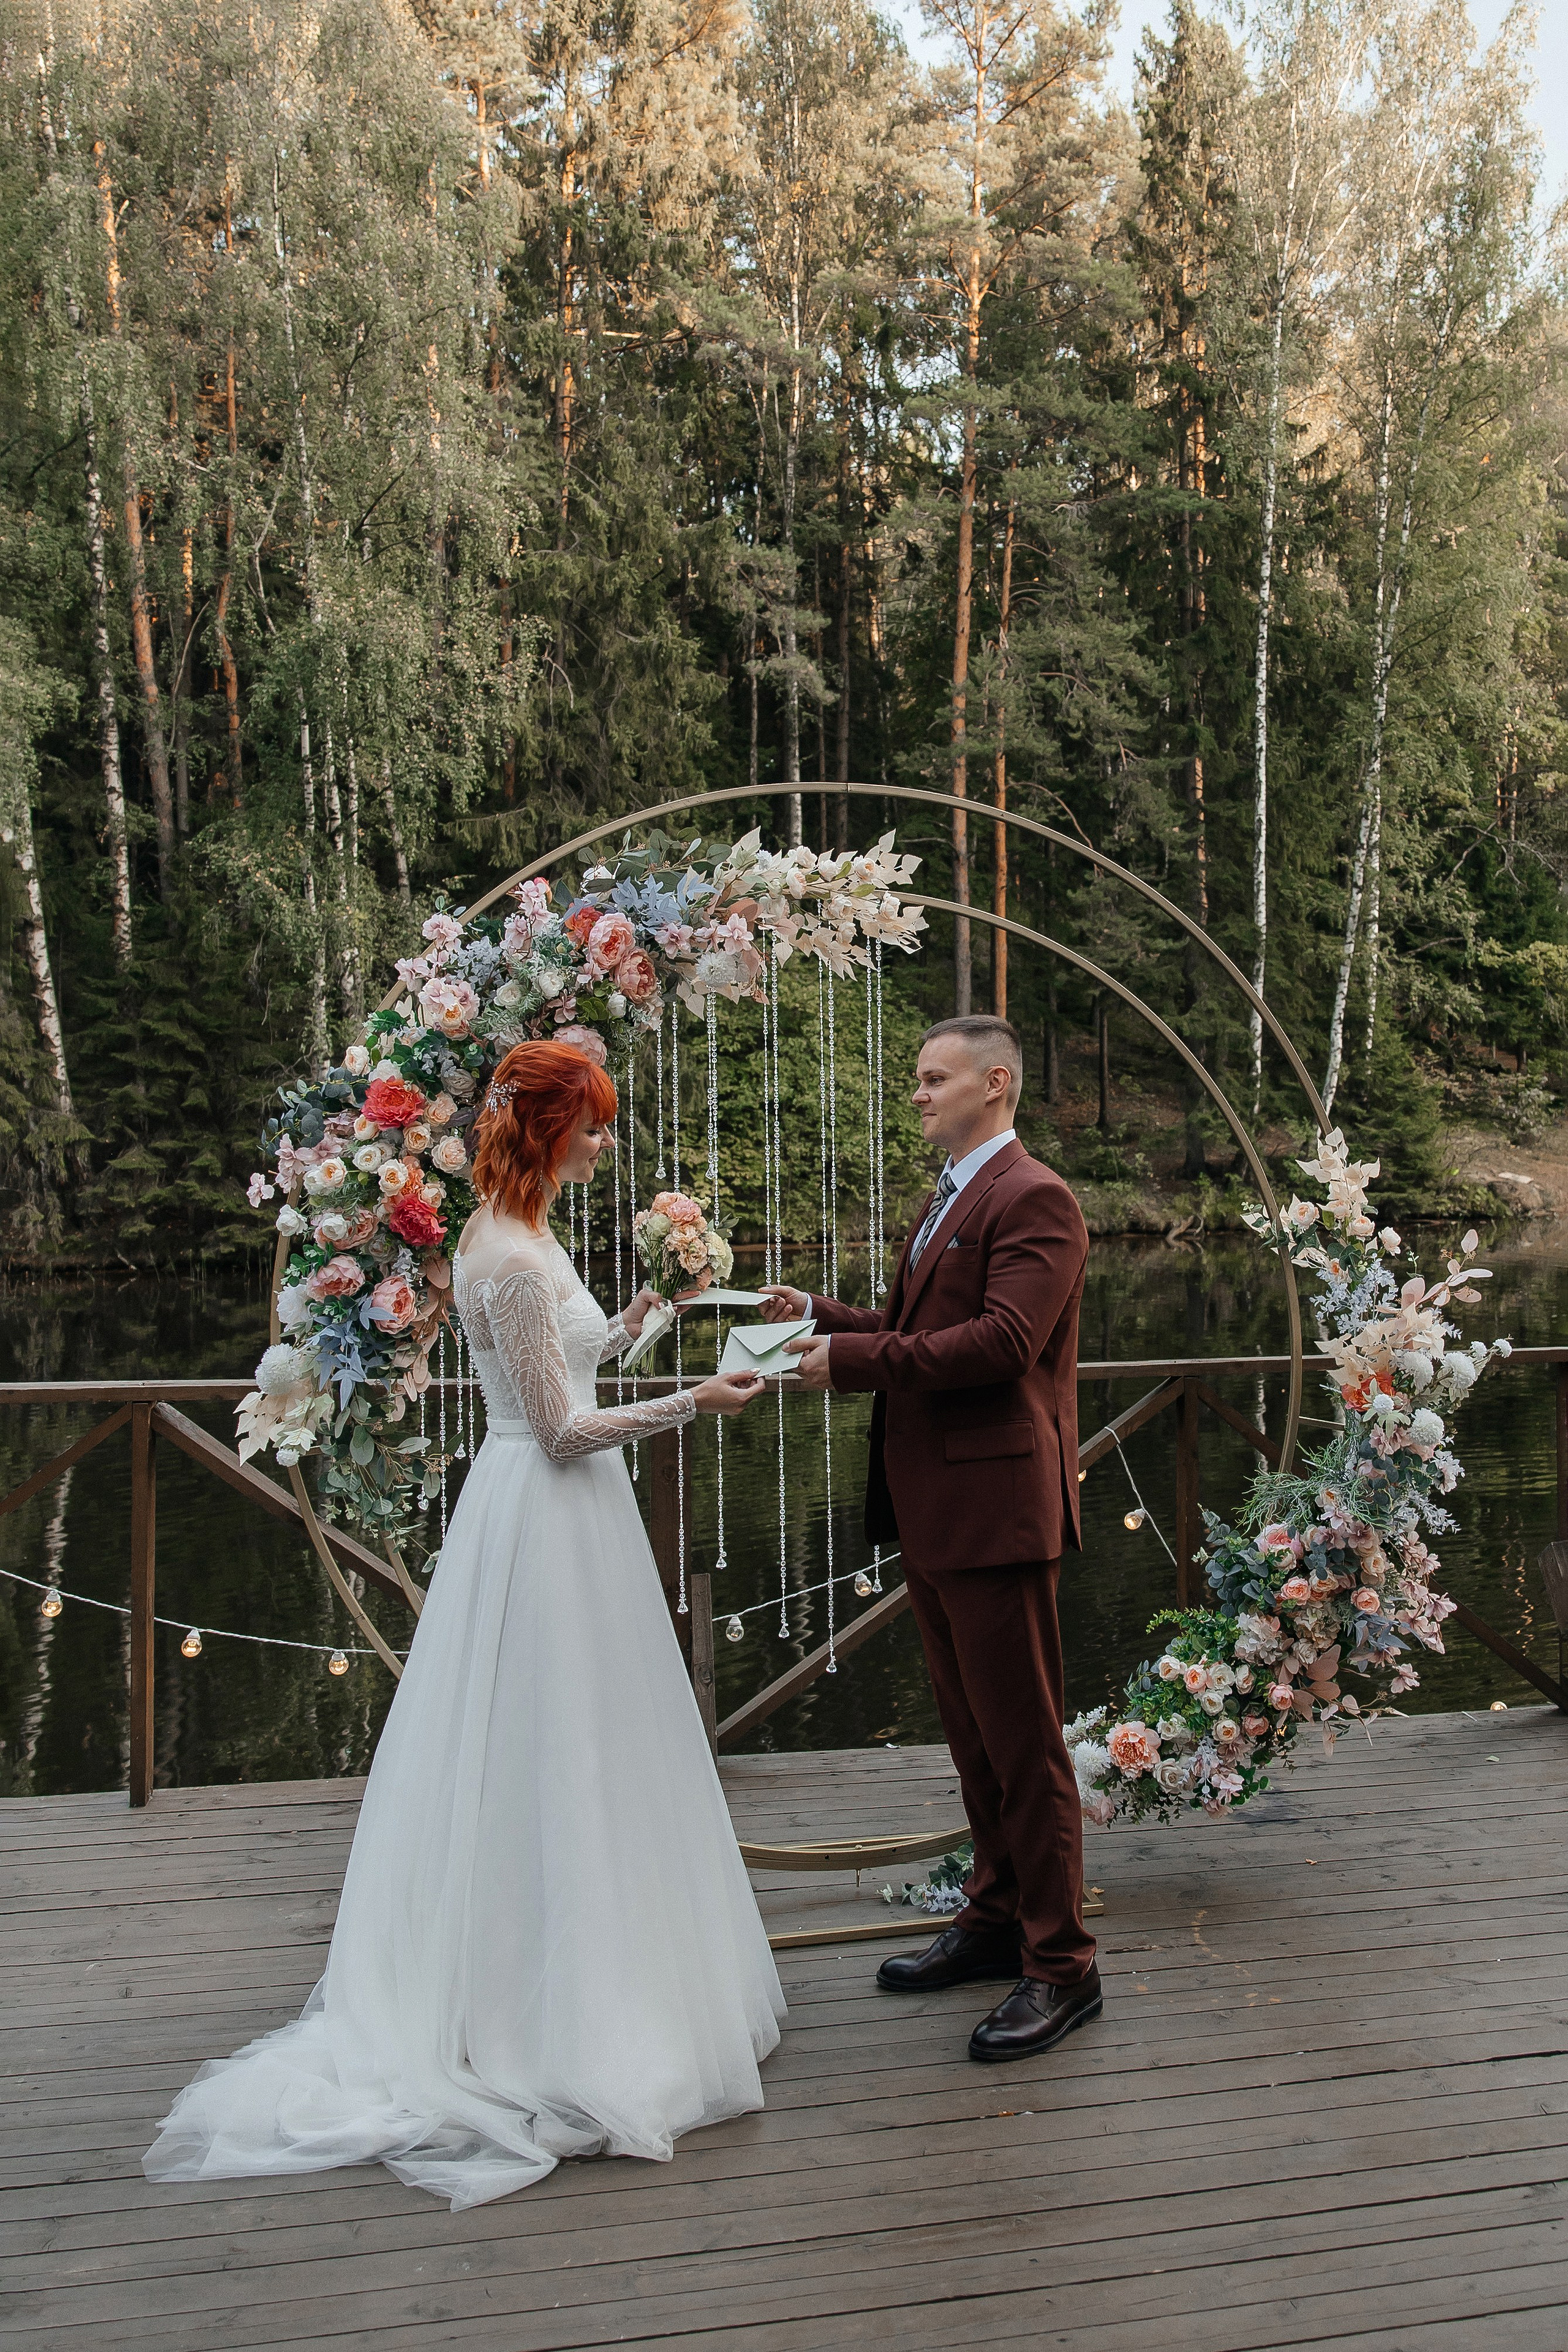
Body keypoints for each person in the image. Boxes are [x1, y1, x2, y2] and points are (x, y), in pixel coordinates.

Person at [145, 1039, 780, 2209]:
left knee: (587, 1745)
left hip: (560, 1516)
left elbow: (579, 1365)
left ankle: (596, 1978)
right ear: (545, 1128)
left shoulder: (518, 1236)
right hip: (546, 1510)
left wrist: (658, 1304)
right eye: (591, 1124)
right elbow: (562, 1432)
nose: (604, 1142)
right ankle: (543, 2019)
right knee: (551, 1745)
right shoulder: (513, 1262)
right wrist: (696, 1402)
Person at [761, 1014, 1098, 2063]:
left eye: (932, 1078)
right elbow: (918, 1331)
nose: (917, 1093)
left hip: (997, 1512)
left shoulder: (1034, 1196)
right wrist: (820, 1316)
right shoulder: (951, 1193)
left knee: (1026, 1749)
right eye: (917, 1078)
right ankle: (996, 1921)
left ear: (995, 1083)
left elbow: (1002, 1345)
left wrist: (851, 1365)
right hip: (937, 1511)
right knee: (974, 1742)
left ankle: (1064, 1966)